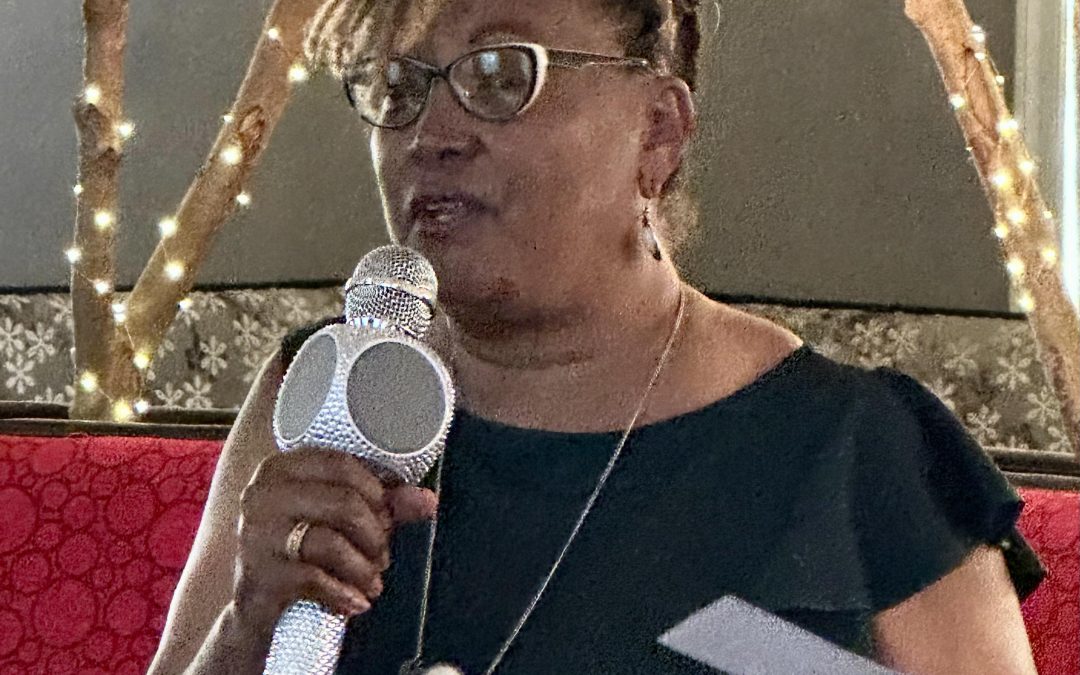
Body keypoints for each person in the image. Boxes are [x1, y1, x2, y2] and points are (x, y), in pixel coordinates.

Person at [147, 0, 1047, 673]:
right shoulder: (322, 394)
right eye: (399, 85)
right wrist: (250, 621)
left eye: (501, 75)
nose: (432, 133)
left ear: (658, 131)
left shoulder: (860, 452)